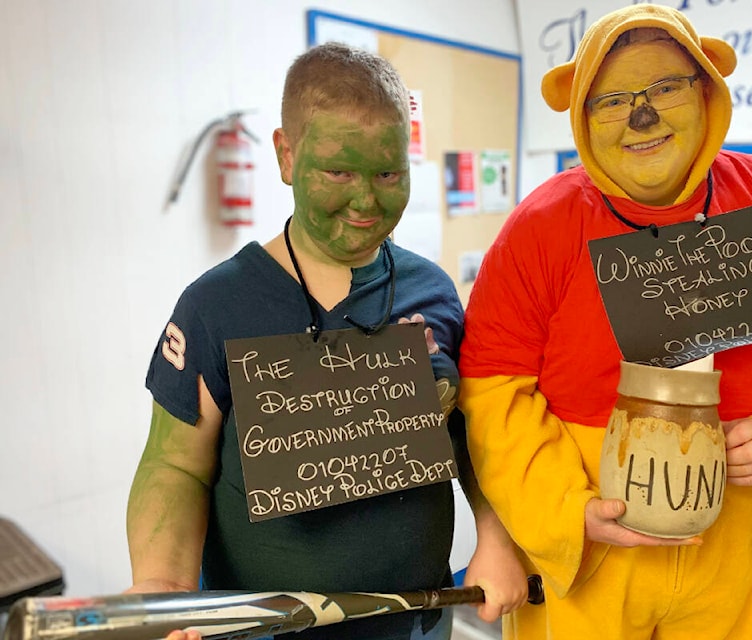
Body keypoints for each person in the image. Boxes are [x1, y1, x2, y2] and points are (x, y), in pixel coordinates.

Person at [457, 5, 752, 640]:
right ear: (581, 117)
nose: (641, 116)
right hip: (593, 559)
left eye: (665, 87)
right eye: (611, 99)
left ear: (707, 92)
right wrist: (565, 508)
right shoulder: (540, 228)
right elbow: (492, 390)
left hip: (748, 556)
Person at [126, 42, 528, 640]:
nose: (366, 200)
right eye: (338, 172)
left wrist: (496, 536)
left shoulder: (433, 292)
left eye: (388, 173)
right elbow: (174, 464)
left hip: (413, 623)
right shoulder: (216, 305)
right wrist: (163, 587)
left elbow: (474, 437)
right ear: (287, 156)